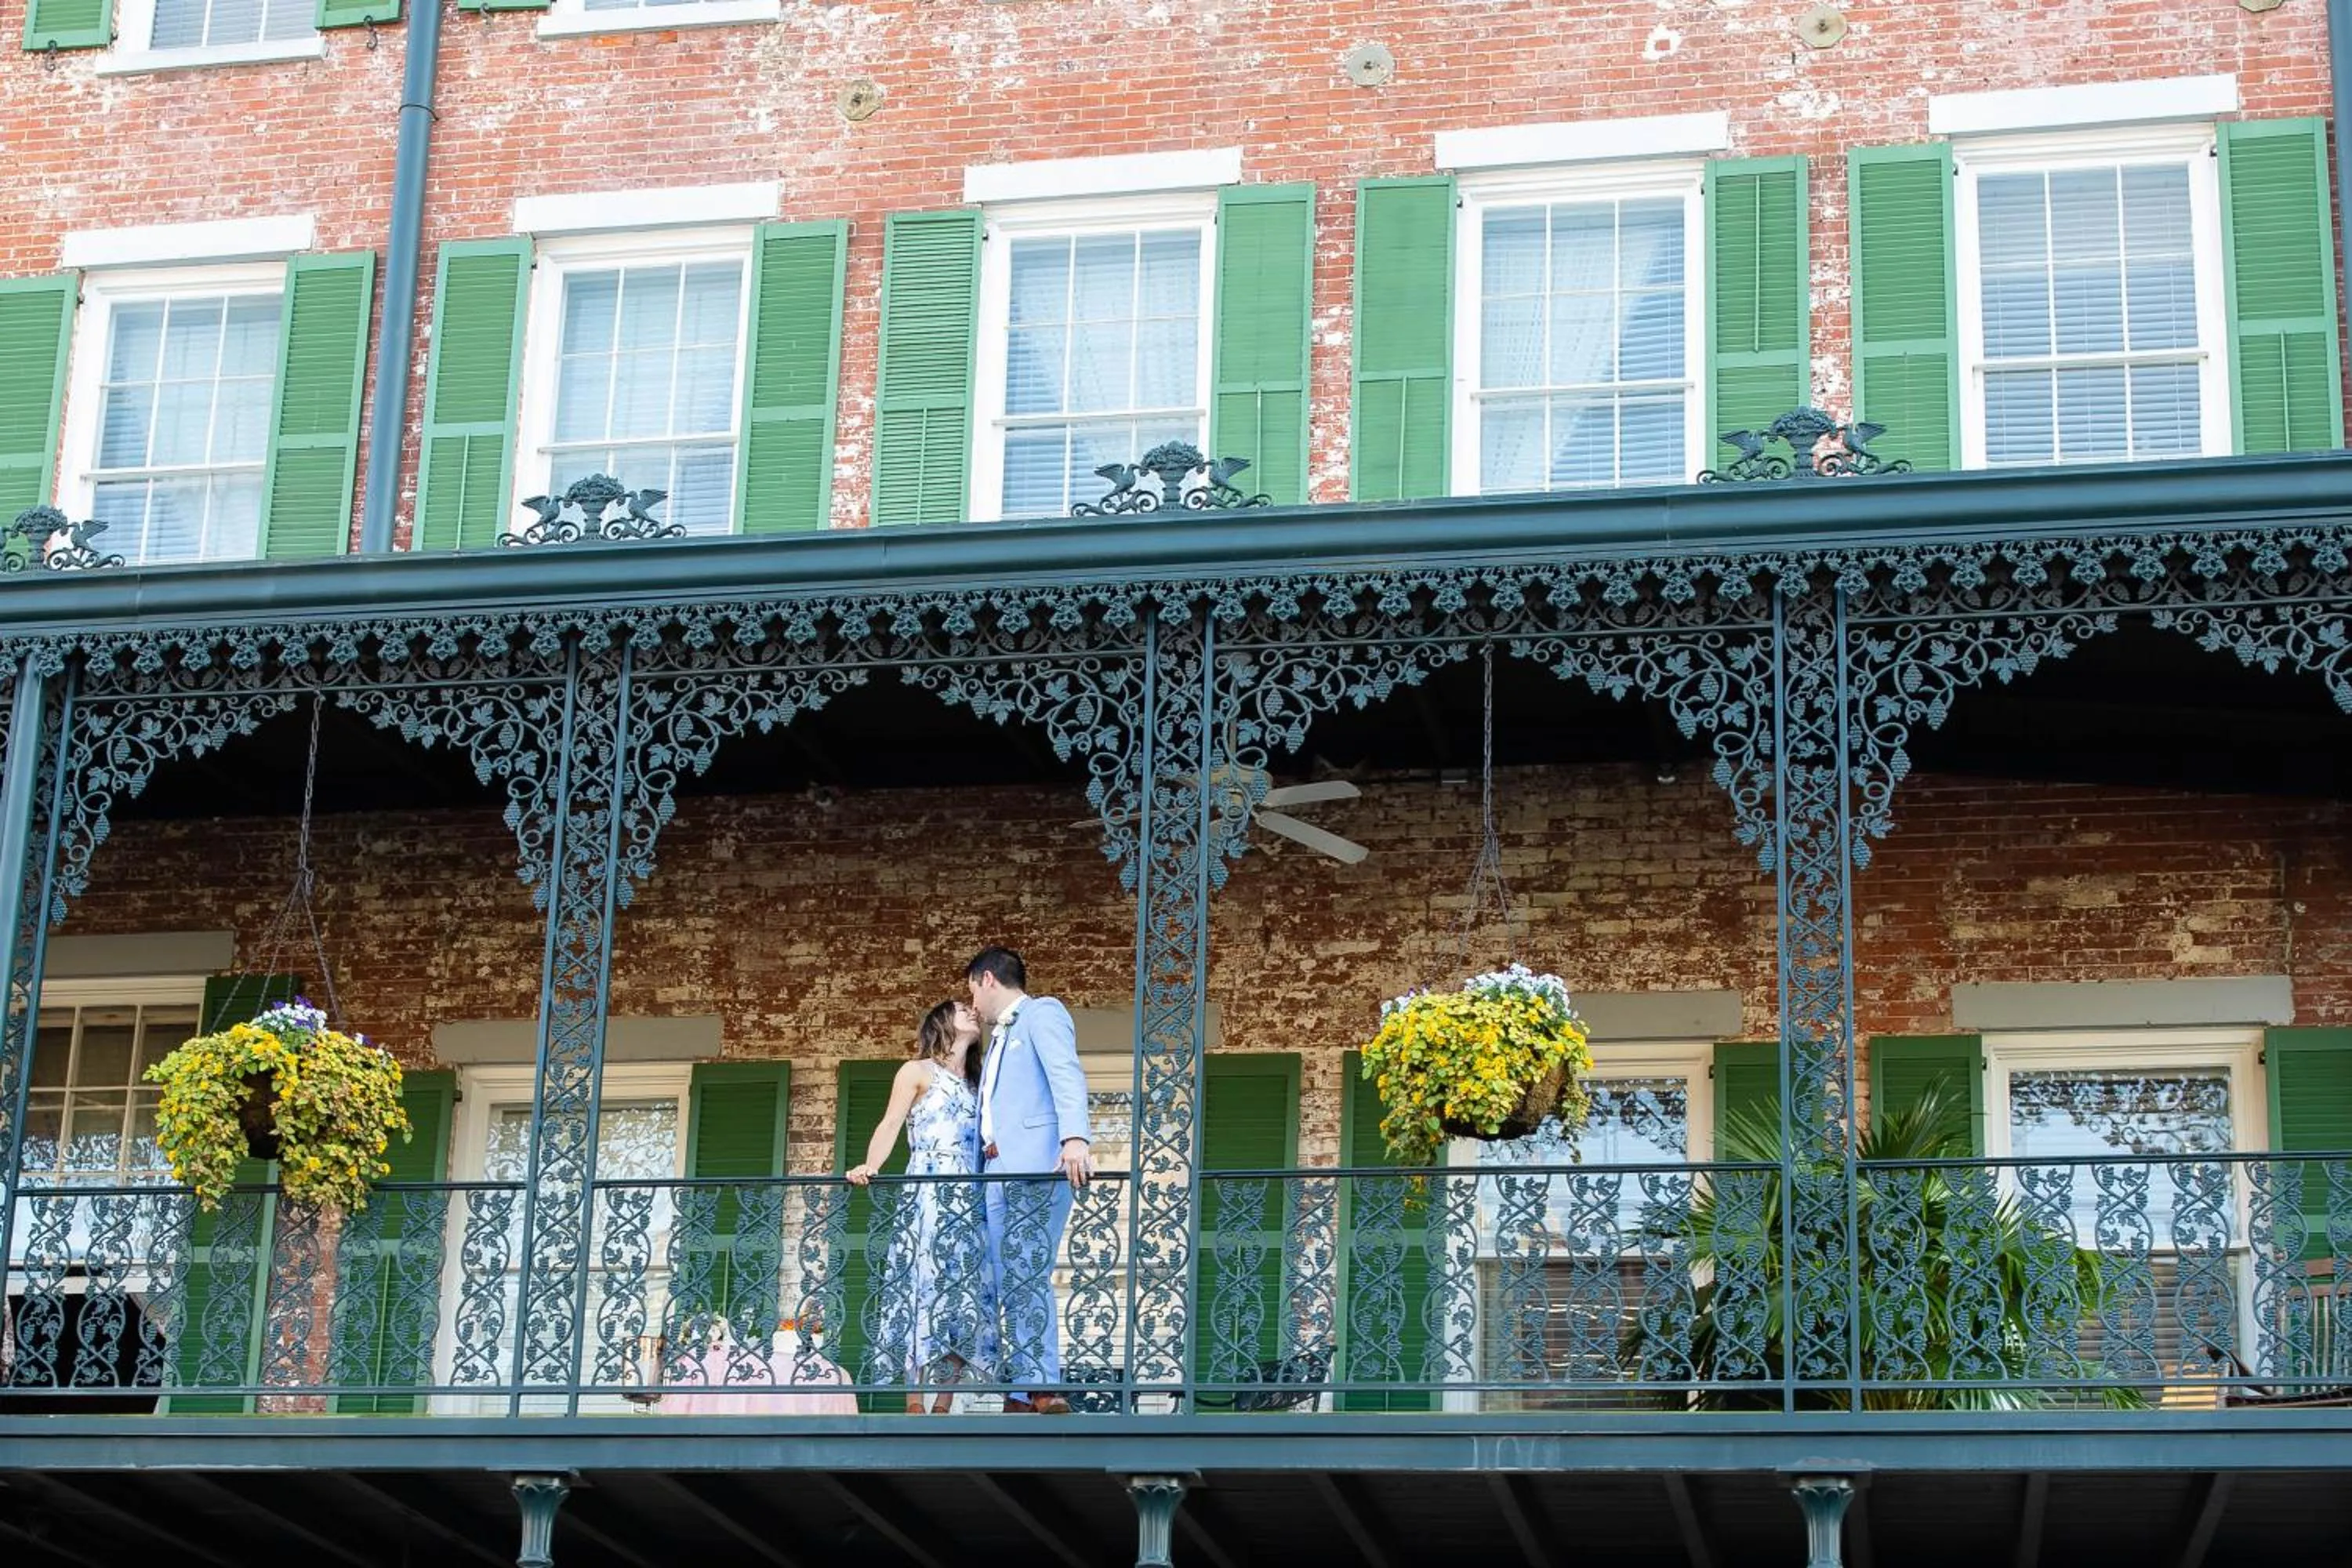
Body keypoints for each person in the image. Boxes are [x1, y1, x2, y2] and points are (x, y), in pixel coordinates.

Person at [846, 999, 996, 1414]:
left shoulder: (979, 1082)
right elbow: (891, 1122)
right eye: (962, 1008)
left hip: (970, 1194)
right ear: (941, 1022)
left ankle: (944, 1402)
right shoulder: (916, 1071)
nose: (972, 1012)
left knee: (960, 1291)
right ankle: (914, 1399)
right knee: (920, 1284)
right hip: (929, 1188)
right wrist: (870, 1165)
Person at [967, 946, 1092, 1415]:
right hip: (996, 1169)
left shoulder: (1042, 1013)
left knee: (1027, 1272)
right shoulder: (999, 1037)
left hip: (1036, 1164)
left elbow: (1066, 1073)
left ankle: (1043, 1386)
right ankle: (1021, 1391)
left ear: (987, 979)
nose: (972, 1004)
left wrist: (1075, 1138)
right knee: (1006, 1279)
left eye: (971, 990)